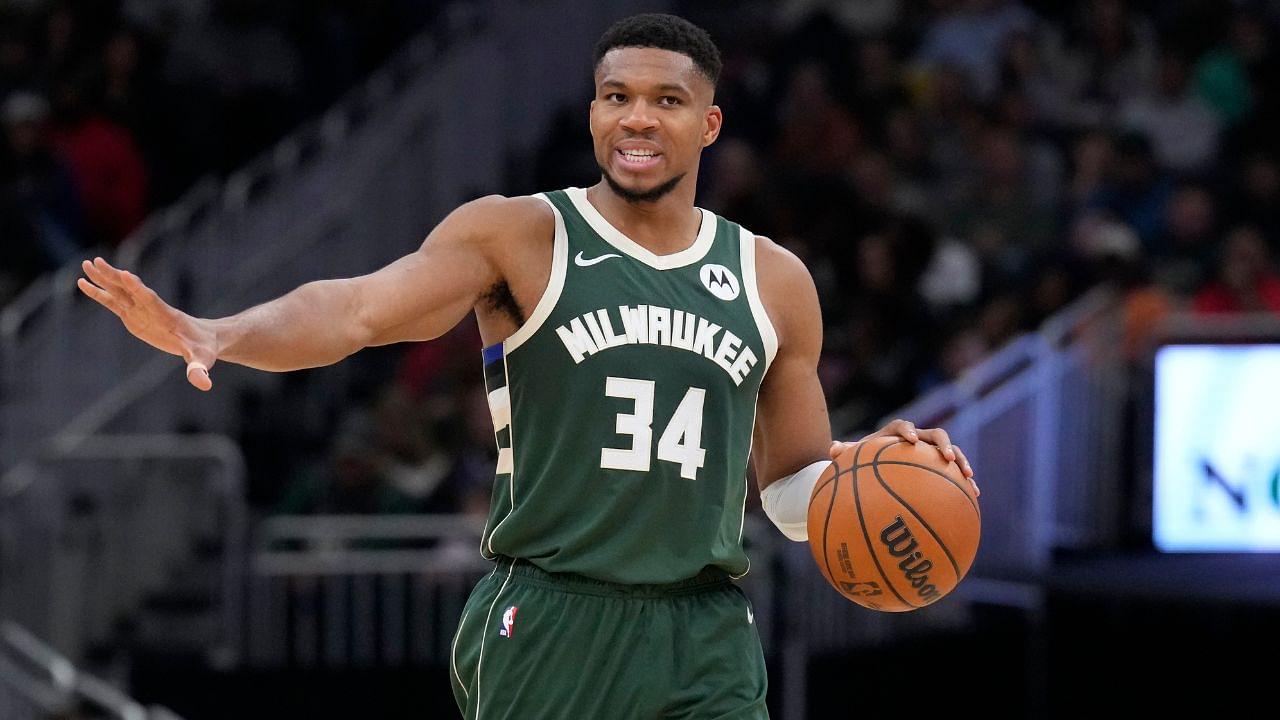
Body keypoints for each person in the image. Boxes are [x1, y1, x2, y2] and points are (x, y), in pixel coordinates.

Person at [77, 13, 978, 720]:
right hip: (552, 615)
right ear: (592, 112)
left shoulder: (774, 282)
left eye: (665, 100)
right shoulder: (519, 235)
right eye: (615, 95)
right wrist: (221, 333)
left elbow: (789, 494)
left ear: (708, 123)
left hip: (704, 629)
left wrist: (869, 463)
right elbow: (354, 310)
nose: (635, 117)